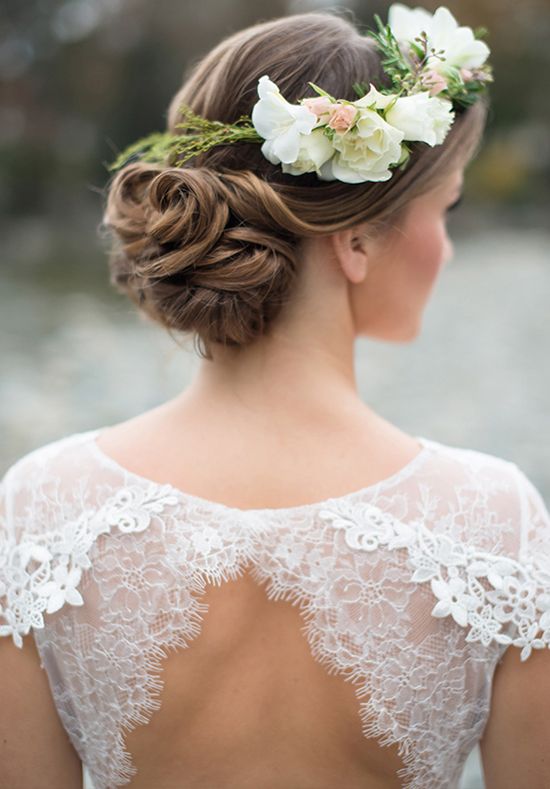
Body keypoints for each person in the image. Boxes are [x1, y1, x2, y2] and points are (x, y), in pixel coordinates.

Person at [1, 5, 549, 789]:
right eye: (446, 207)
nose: (449, 246)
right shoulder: (496, 520)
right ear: (355, 239)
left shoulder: (41, 511)